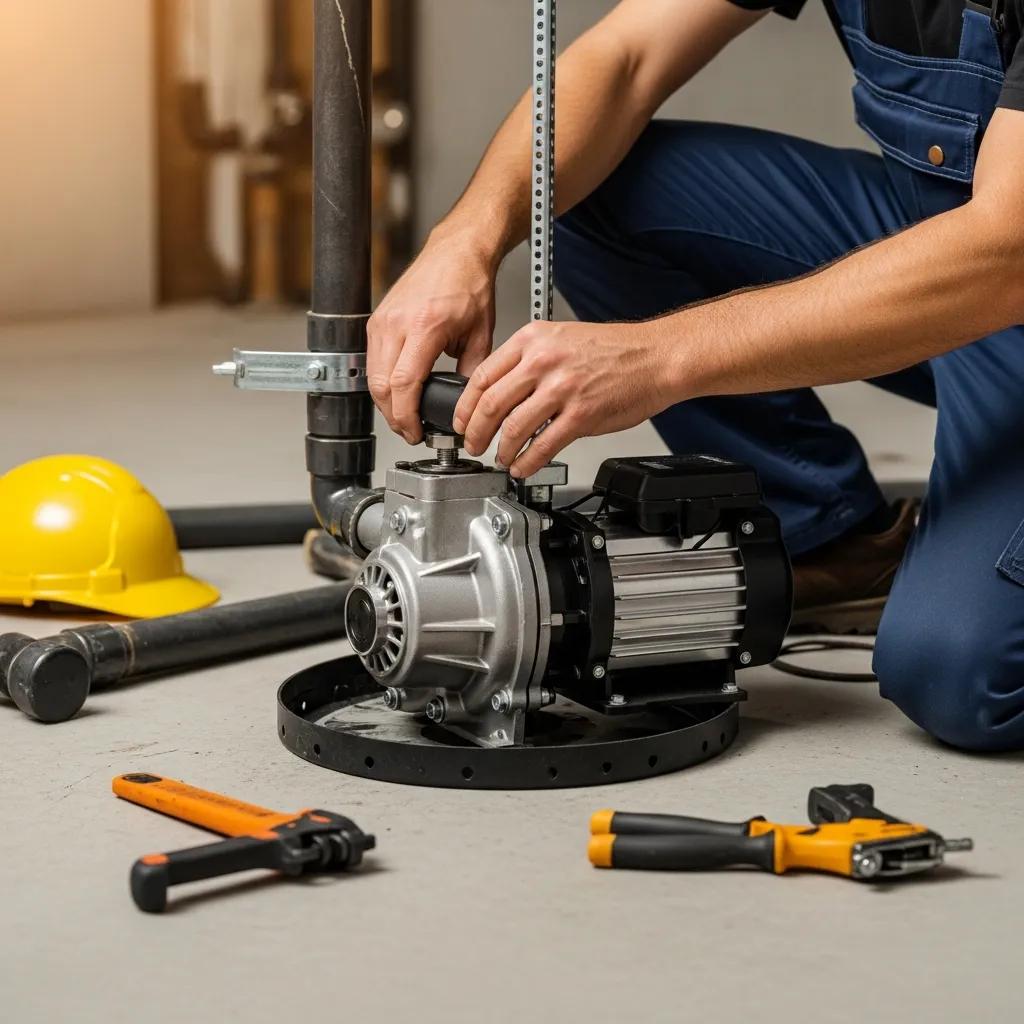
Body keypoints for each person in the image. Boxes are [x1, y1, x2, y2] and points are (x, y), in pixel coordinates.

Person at [364, 0, 1024, 753]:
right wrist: (466, 238)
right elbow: (627, 57)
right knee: (587, 190)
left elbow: (1004, 254)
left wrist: (658, 357)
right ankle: (828, 540)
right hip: (946, 240)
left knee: (958, 674)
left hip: (1002, 256)